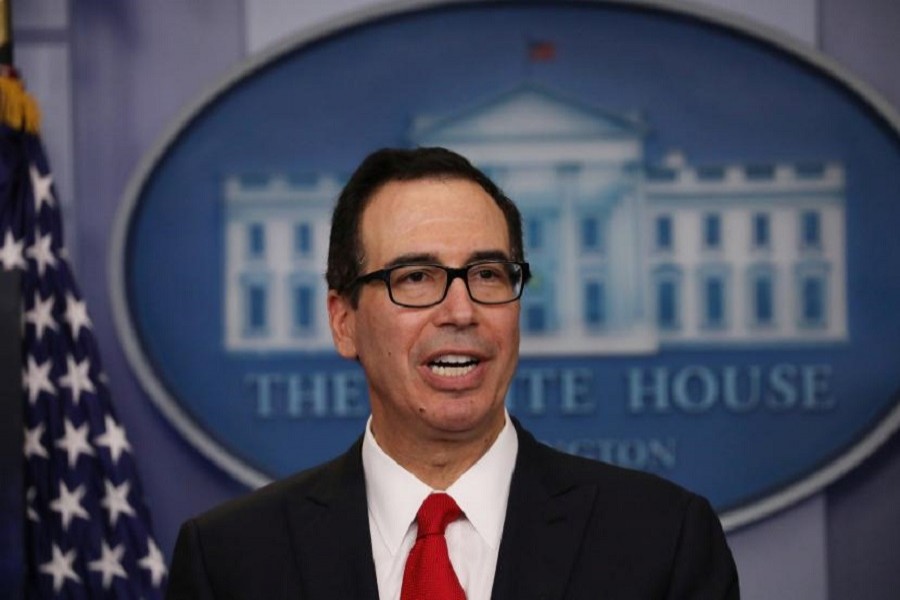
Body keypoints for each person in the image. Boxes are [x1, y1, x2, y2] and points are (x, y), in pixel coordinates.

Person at [166, 147, 739, 599]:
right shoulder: (231, 561)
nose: (461, 311)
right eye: (415, 277)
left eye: (488, 274)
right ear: (344, 323)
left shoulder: (662, 540)